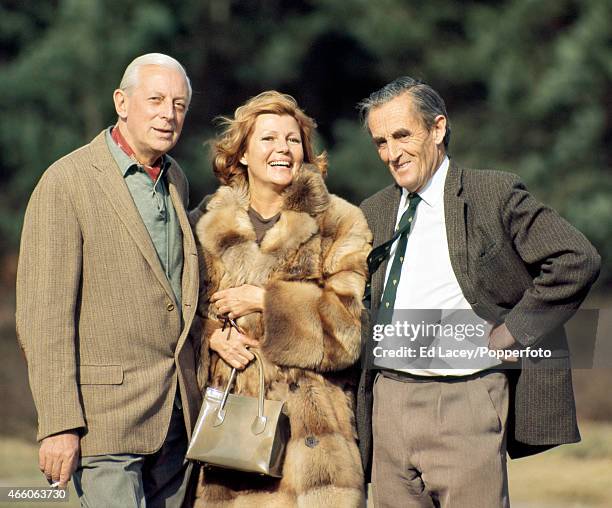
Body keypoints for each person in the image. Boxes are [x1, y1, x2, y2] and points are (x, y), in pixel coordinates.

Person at [355, 77, 601, 508]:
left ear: (437, 129)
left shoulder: (493, 194)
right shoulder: (372, 211)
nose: (391, 154)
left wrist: (515, 330)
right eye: (380, 142)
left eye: (401, 135)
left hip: (464, 398)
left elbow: (575, 258)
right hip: (387, 402)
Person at [16, 53, 201, 507]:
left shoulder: (176, 177)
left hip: (176, 420)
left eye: (178, 104)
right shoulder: (66, 182)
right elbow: (44, 317)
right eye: (155, 99)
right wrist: (59, 424)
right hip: (104, 424)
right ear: (122, 101)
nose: (168, 114)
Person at [190, 91, 372, 507]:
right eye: (268, 139)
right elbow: (180, 318)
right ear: (241, 154)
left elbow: (347, 333)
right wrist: (212, 335)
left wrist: (265, 301)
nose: (283, 150)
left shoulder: (339, 222)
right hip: (232, 441)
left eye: (293, 140)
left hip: (314, 448)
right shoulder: (203, 225)